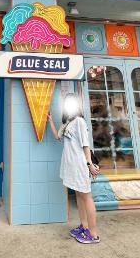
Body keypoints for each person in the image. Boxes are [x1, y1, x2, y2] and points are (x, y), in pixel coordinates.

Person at [48, 94, 100, 244]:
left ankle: (93, 234)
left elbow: (85, 145)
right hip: (71, 165)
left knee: (87, 197)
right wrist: (50, 120)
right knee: (79, 195)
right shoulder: (67, 123)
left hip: (80, 165)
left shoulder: (80, 122)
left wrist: (89, 164)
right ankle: (84, 226)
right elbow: (57, 137)